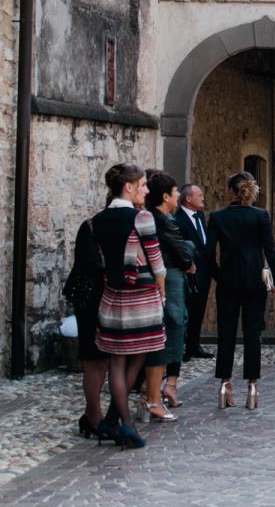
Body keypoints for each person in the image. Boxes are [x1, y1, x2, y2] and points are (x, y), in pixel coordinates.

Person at [93, 163, 164, 449]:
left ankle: (113, 419)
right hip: (142, 297)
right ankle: (128, 426)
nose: (146, 190)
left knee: (119, 359)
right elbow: (157, 263)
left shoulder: (97, 220)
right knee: (133, 357)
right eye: (143, 185)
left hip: (112, 296)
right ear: (129, 186)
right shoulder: (141, 217)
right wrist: (162, 295)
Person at [207, 171, 275, 410]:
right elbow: (270, 250)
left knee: (226, 334)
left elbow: (208, 253)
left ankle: (224, 384)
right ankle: (252, 386)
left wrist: (219, 276)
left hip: (228, 281)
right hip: (254, 282)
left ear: (231, 190)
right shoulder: (260, 216)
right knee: (253, 334)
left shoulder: (218, 217)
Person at [141, 171, 195, 423]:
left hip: (163, 277)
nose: (178, 197)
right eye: (175, 193)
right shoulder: (161, 220)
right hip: (167, 280)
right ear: (165, 196)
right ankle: (152, 397)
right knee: (169, 330)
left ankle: (152, 393)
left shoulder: (155, 218)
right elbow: (184, 252)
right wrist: (189, 254)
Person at [71, 212, 109, 441]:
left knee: (106, 360)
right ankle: (93, 415)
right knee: (95, 358)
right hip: (91, 298)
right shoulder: (91, 226)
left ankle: (92, 415)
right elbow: (88, 263)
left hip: (111, 296)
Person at [177, 183, 213, 361]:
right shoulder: (178, 219)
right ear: (188, 198)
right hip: (190, 270)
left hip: (204, 271)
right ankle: (183, 347)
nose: (203, 198)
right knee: (188, 309)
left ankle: (194, 345)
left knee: (199, 308)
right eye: (199, 195)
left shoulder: (200, 216)